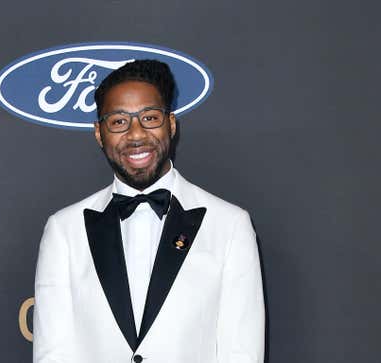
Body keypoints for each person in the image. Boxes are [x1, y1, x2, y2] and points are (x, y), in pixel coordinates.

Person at [33, 60, 265, 363]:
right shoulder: (63, 230)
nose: (136, 134)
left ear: (171, 124)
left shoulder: (230, 225)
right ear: (99, 133)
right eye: (118, 121)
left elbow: (242, 353)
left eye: (150, 118)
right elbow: (53, 354)